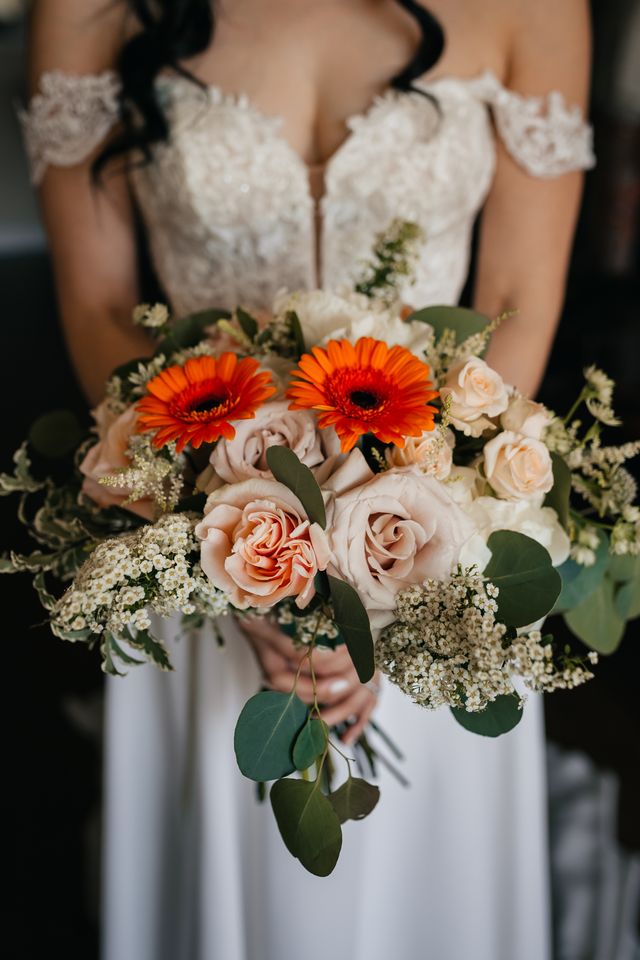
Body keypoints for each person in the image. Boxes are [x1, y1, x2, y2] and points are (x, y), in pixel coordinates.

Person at [22, 1, 594, 958]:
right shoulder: (87, 9)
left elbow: (515, 302)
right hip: (198, 552)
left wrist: (396, 570)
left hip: (435, 545)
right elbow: (98, 304)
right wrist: (244, 560)